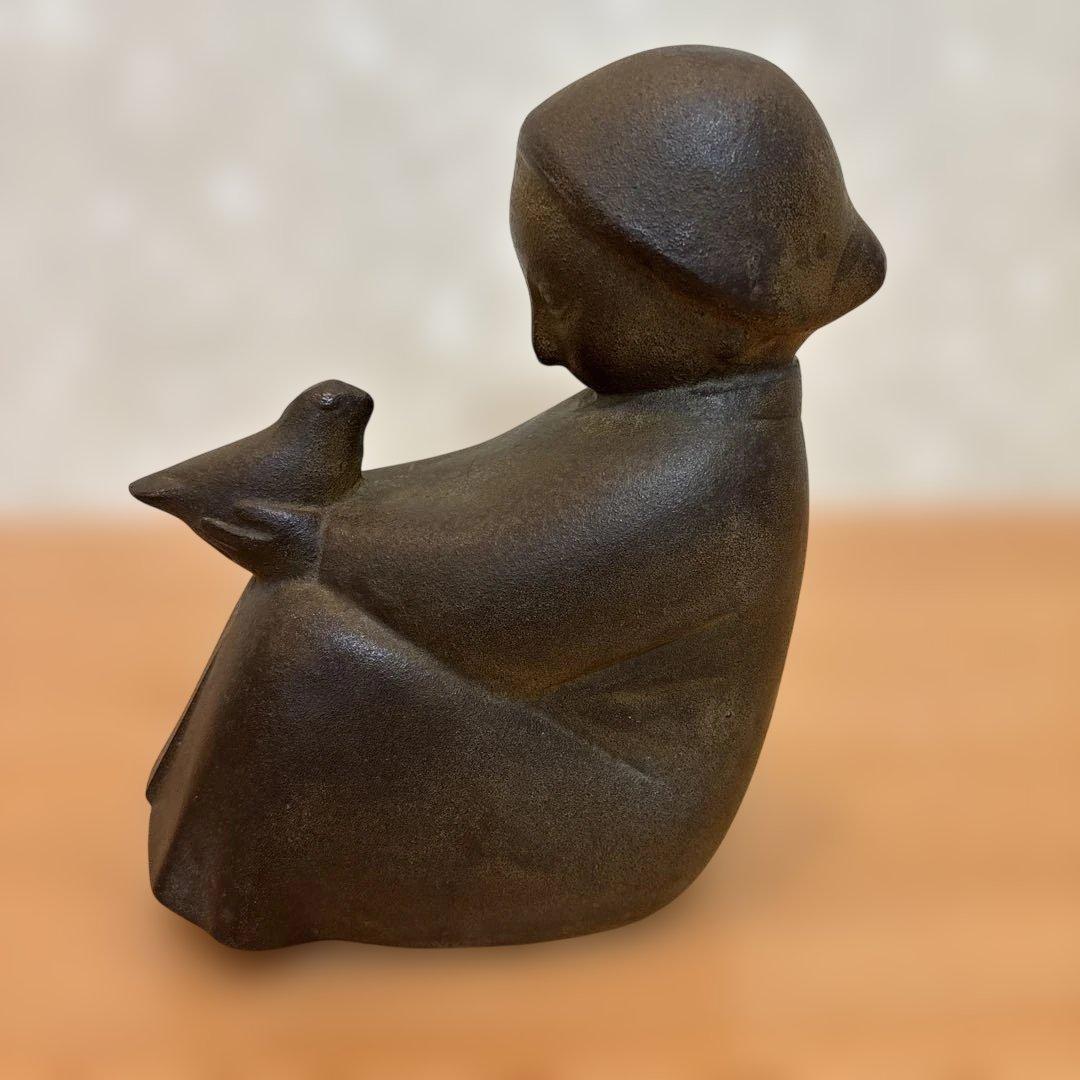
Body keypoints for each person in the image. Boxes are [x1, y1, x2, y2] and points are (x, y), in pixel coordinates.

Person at [132, 46, 884, 948]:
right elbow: (490, 490)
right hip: (571, 751)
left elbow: (513, 584)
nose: (542, 343)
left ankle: (251, 887)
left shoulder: (713, 472)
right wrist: (341, 510)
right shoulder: (657, 412)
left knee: (309, 642)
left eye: (566, 300)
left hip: (624, 814)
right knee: (300, 608)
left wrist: (325, 539)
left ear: (700, 305)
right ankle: (229, 868)